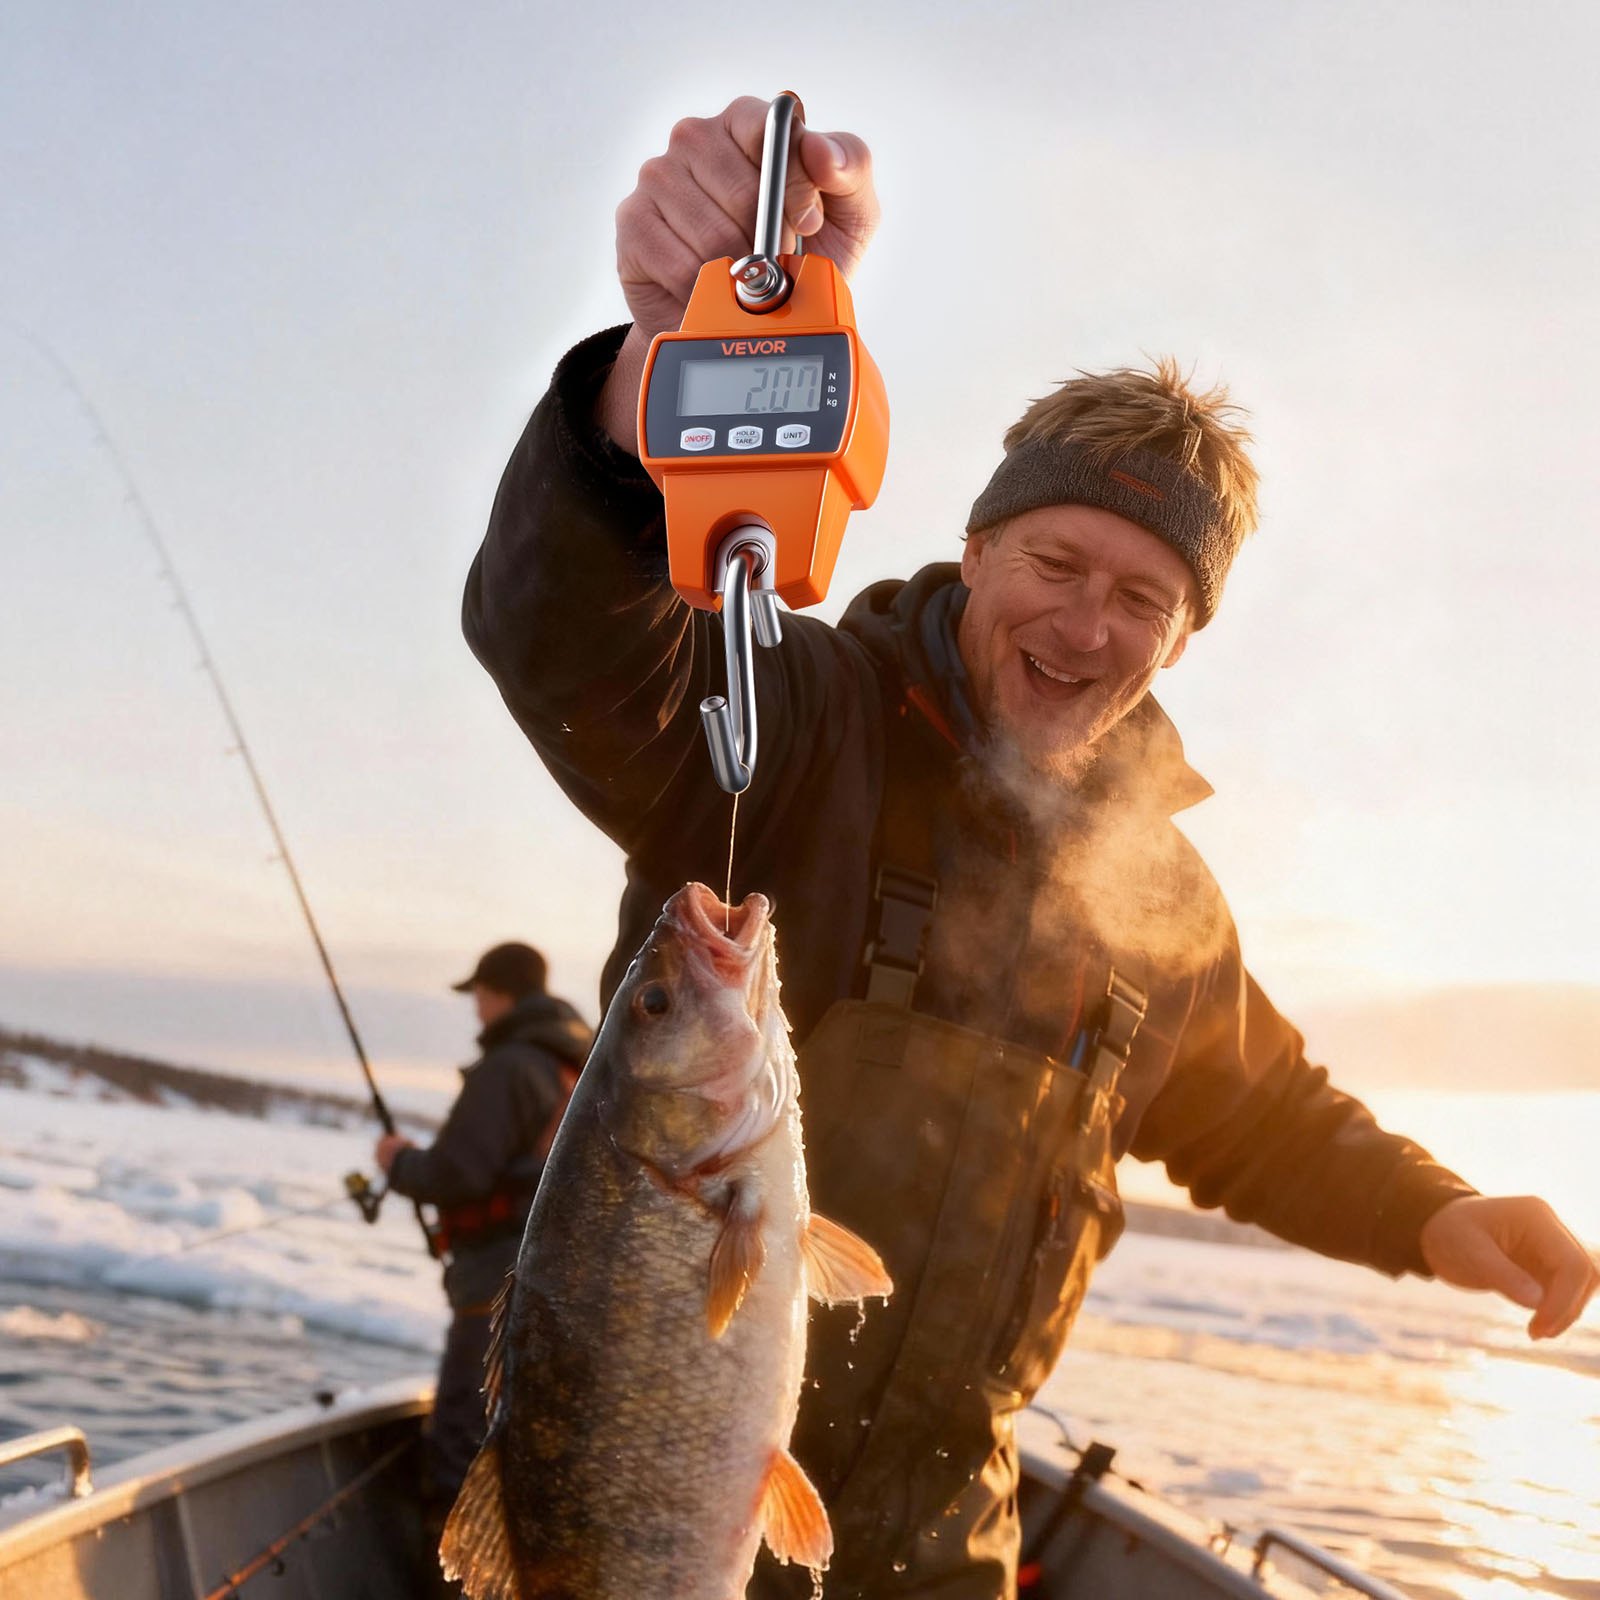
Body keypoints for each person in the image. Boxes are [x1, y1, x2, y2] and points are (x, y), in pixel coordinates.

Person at [458, 98, 1599, 1598]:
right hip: (660, 1510)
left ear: (1184, 637)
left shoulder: (1157, 897)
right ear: (978, 544)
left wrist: (1437, 1211)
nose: (1084, 626)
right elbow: (575, 652)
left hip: (946, 1555)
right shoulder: (806, 724)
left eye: (1142, 597)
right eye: (1056, 562)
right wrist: (649, 386)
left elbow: (1265, 1119)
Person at [373, 942, 592, 1518]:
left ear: (499, 993)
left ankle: (454, 1578)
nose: (476, 1009)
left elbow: (457, 1174)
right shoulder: (579, 1064)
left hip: (495, 1284)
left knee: (460, 1444)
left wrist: (398, 1162)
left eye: (479, 995)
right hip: (558, 1283)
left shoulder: (511, 1065)